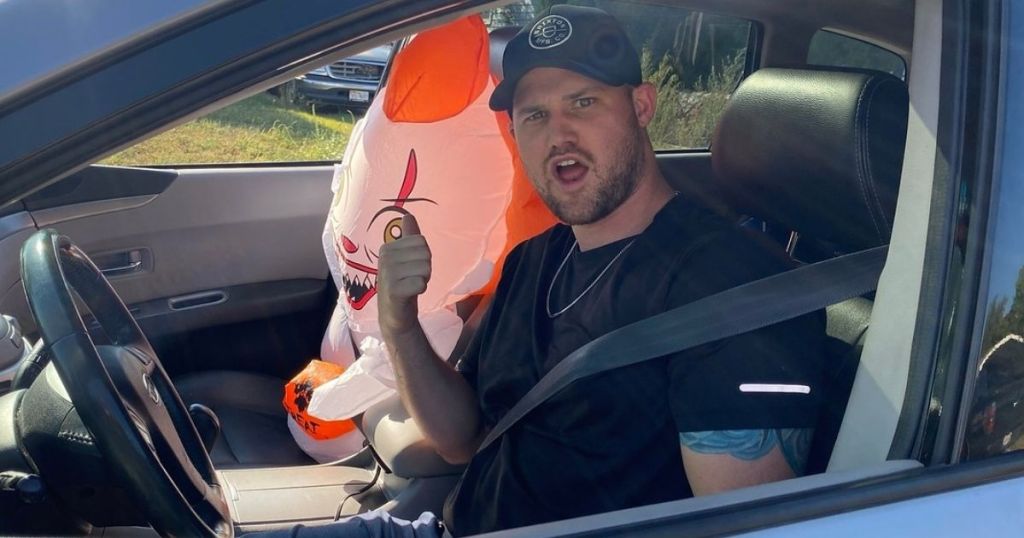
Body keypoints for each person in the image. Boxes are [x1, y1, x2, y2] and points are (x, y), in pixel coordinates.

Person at [252, 5, 825, 537]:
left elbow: (744, 524)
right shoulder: (535, 258)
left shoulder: (733, 288)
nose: (558, 136)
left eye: (583, 102)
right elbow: (460, 441)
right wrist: (399, 323)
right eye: (533, 115)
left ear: (642, 106)